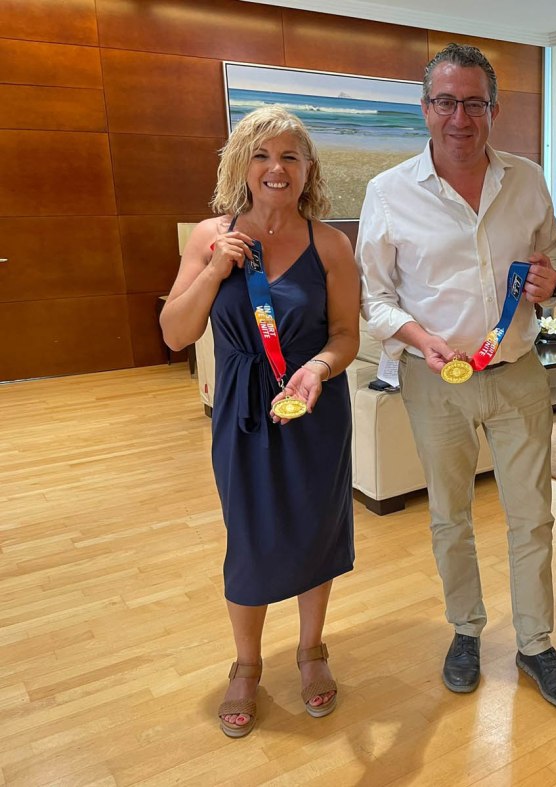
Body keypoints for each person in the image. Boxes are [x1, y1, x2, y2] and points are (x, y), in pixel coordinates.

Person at [356, 43, 556, 709]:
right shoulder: (388, 192)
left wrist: (553, 282)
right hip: (436, 380)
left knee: (532, 515)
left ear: (494, 110)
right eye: (446, 102)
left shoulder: (527, 179)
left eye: (474, 104)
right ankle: (465, 629)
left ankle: (535, 643)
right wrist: (418, 338)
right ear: (425, 108)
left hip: (517, 374)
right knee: (450, 515)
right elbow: (374, 298)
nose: (461, 118)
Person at [160, 106, 360, 738]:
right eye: (263, 155)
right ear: (241, 165)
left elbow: (347, 335)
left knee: (317, 528)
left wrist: (320, 368)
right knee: (247, 534)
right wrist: (215, 268)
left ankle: (311, 651)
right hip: (243, 411)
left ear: (308, 170)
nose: (277, 168)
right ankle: (246, 666)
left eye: (290, 157)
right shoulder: (210, 236)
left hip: (313, 407)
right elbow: (174, 334)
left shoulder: (330, 244)